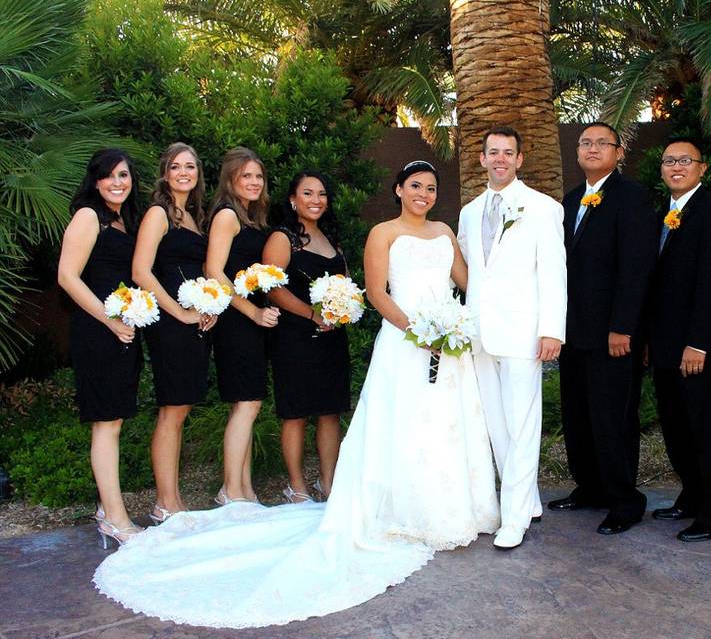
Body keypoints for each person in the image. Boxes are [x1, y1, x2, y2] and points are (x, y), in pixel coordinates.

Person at [93, 160, 499, 628]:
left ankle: (452, 507)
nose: (423, 194)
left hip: (446, 342)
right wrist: (416, 329)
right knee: (397, 421)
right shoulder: (378, 233)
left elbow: (471, 284)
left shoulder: (446, 233)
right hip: (404, 339)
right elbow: (373, 290)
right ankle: (366, 502)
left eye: (431, 188)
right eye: (415, 186)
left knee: (446, 423)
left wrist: (460, 322)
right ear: (398, 189)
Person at [457, 125, 566, 550]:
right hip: (480, 333)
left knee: (522, 426)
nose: (500, 159)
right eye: (493, 152)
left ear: (520, 160)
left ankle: (514, 517)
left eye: (508, 152)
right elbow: (472, 272)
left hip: (524, 333)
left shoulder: (542, 208)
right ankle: (529, 499)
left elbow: (553, 273)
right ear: (481, 159)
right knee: (498, 427)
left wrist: (551, 330)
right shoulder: (468, 212)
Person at [549, 122, 658, 535]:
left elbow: (637, 267)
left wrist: (623, 326)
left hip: (613, 334)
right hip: (574, 333)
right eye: (586, 143)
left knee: (613, 417)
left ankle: (624, 500)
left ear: (618, 152)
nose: (593, 149)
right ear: (577, 152)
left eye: (602, 144)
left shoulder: (633, 197)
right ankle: (590, 487)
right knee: (579, 415)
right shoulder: (572, 199)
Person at [648, 138, 711, 542]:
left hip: (698, 348)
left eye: (685, 160)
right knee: (677, 427)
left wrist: (698, 343)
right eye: (669, 161)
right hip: (666, 346)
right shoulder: (665, 214)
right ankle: (691, 496)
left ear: (702, 168)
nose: (676, 167)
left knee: (707, 429)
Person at [57, 148, 144, 546]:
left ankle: (106, 509)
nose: (117, 182)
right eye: (109, 176)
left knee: (114, 422)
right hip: (97, 331)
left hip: (122, 331)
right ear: (95, 181)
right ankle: (115, 517)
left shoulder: (124, 222)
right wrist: (109, 322)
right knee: (106, 424)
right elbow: (68, 277)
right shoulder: (88, 216)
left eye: (124, 175)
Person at [132, 143, 216, 524]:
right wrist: (181, 313)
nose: (184, 172)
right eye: (176, 167)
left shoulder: (194, 217)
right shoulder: (158, 213)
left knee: (181, 408)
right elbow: (141, 272)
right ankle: (165, 502)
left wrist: (207, 309)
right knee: (171, 409)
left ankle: (175, 499)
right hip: (169, 323)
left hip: (193, 323)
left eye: (191, 167)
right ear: (165, 173)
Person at [263, 171, 351, 503]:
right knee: (296, 412)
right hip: (295, 337)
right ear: (292, 199)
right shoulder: (283, 238)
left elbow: (346, 284)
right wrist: (313, 314)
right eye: (308, 193)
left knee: (330, 412)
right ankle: (296, 486)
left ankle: (327, 483)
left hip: (332, 338)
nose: (316, 200)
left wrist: (344, 308)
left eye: (322, 194)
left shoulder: (332, 240)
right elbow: (272, 288)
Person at [204, 147, 279, 504]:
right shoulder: (226, 216)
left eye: (258, 176)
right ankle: (231, 491)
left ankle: (243, 488)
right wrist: (250, 312)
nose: (253, 182)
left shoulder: (250, 217)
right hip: (236, 320)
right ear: (231, 179)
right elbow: (213, 272)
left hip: (251, 320)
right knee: (247, 404)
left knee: (246, 405)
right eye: (246, 175)